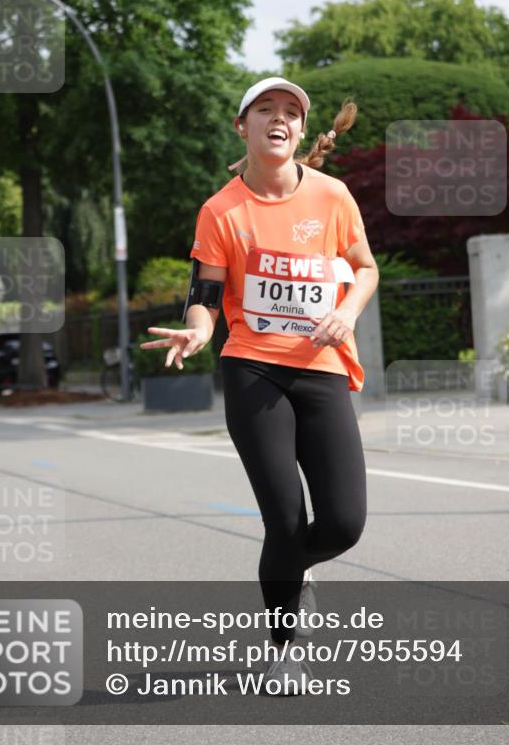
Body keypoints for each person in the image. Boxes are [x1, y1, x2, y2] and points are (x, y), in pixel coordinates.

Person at [140, 76, 379, 695]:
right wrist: (197, 331)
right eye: (265, 110)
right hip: (253, 368)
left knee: (345, 523)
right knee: (284, 518)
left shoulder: (333, 196)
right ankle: (283, 650)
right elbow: (206, 294)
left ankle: (295, 572)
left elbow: (364, 269)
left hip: (322, 367)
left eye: (291, 113)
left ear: (302, 131)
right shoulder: (221, 210)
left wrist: (347, 313)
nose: (280, 119)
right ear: (242, 127)